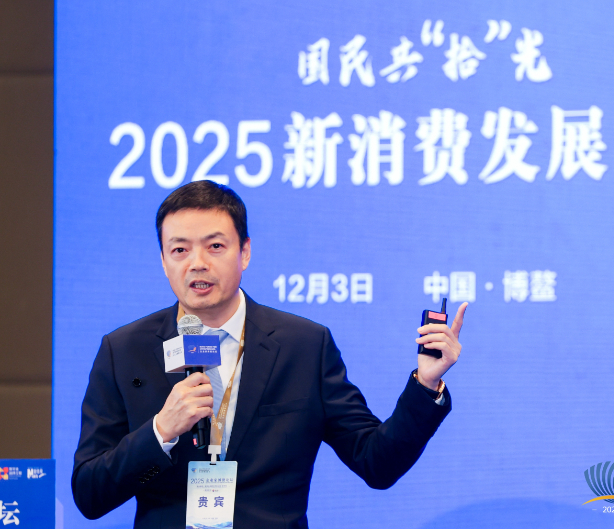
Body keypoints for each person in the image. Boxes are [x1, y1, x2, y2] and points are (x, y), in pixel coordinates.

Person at [72, 181, 468, 528]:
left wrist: (426, 384)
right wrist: (161, 431)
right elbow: (90, 494)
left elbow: (376, 463)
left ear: (244, 252)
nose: (197, 263)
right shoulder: (125, 350)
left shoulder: (304, 346)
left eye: (215, 246)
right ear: (163, 260)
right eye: (179, 250)